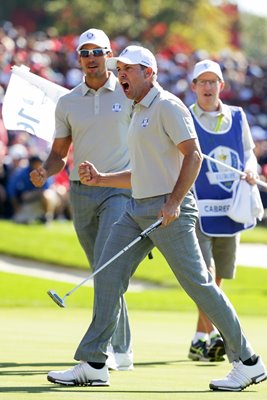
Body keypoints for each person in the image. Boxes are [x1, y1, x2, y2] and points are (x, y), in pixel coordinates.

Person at [46, 45, 267, 391]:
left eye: (129, 70)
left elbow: (193, 156)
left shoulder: (167, 106)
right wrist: (102, 178)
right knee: (107, 274)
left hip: (169, 211)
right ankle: (94, 363)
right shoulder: (136, 111)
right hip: (137, 209)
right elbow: (141, 172)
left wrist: (175, 201)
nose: (120, 75)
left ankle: (248, 361)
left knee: (199, 284)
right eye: (119, 70)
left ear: (149, 73)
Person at [30, 28, 134, 370]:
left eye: (97, 52)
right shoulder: (68, 101)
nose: (91, 58)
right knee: (104, 270)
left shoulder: (129, 90)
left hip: (120, 189)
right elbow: (60, 153)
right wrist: (45, 170)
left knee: (107, 268)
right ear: (78, 58)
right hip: (81, 191)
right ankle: (122, 347)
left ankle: (106, 353)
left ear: (109, 54)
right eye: (85, 53)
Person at [187, 59, 262, 362]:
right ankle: (221, 336)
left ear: (221, 85)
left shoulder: (237, 116)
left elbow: (248, 154)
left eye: (212, 81)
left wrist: (250, 170)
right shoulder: (185, 117)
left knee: (216, 281)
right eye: (202, 82)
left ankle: (199, 339)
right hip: (198, 207)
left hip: (231, 207)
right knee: (206, 275)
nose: (207, 87)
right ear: (193, 86)